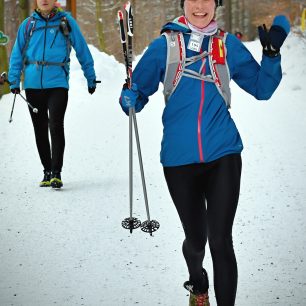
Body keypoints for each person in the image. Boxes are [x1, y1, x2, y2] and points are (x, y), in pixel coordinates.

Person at [119, 0, 290, 305]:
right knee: (197, 241)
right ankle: (198, 282)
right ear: (183, 4)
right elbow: (137, 93)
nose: (200, 6)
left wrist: (272, 55)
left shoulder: (227, 45)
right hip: (178, 160)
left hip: (223, 153)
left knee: (221, 241)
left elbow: (262, 89)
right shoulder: (165, 46)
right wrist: (129, 96)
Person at [8, 0, 97, 189]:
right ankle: (46, 170)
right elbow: (17, 53)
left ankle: (56, 172)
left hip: (57, 82)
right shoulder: (28, 25)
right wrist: (14, 80)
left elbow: (82, 49)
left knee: (55, 124)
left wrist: (90, 76)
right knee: (39, 128)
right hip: (32, 84)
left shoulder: (66, 22)